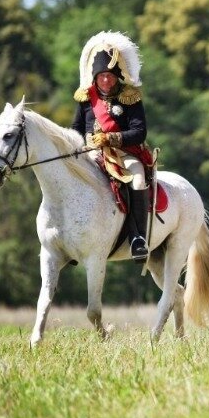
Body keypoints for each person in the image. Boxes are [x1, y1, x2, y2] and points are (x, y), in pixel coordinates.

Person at [72, 31, 152, 265]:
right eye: (101, 76)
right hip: (91, 154)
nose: (105, 80)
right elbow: (76, 128)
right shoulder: (85, 99)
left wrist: (110, 139)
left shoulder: (130, 97)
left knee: (137, 179)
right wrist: (83, 144)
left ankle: (138, 238)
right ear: (94, 77)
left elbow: (139, 132)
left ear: (117, 76)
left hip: (124, 154)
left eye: (109, 76)